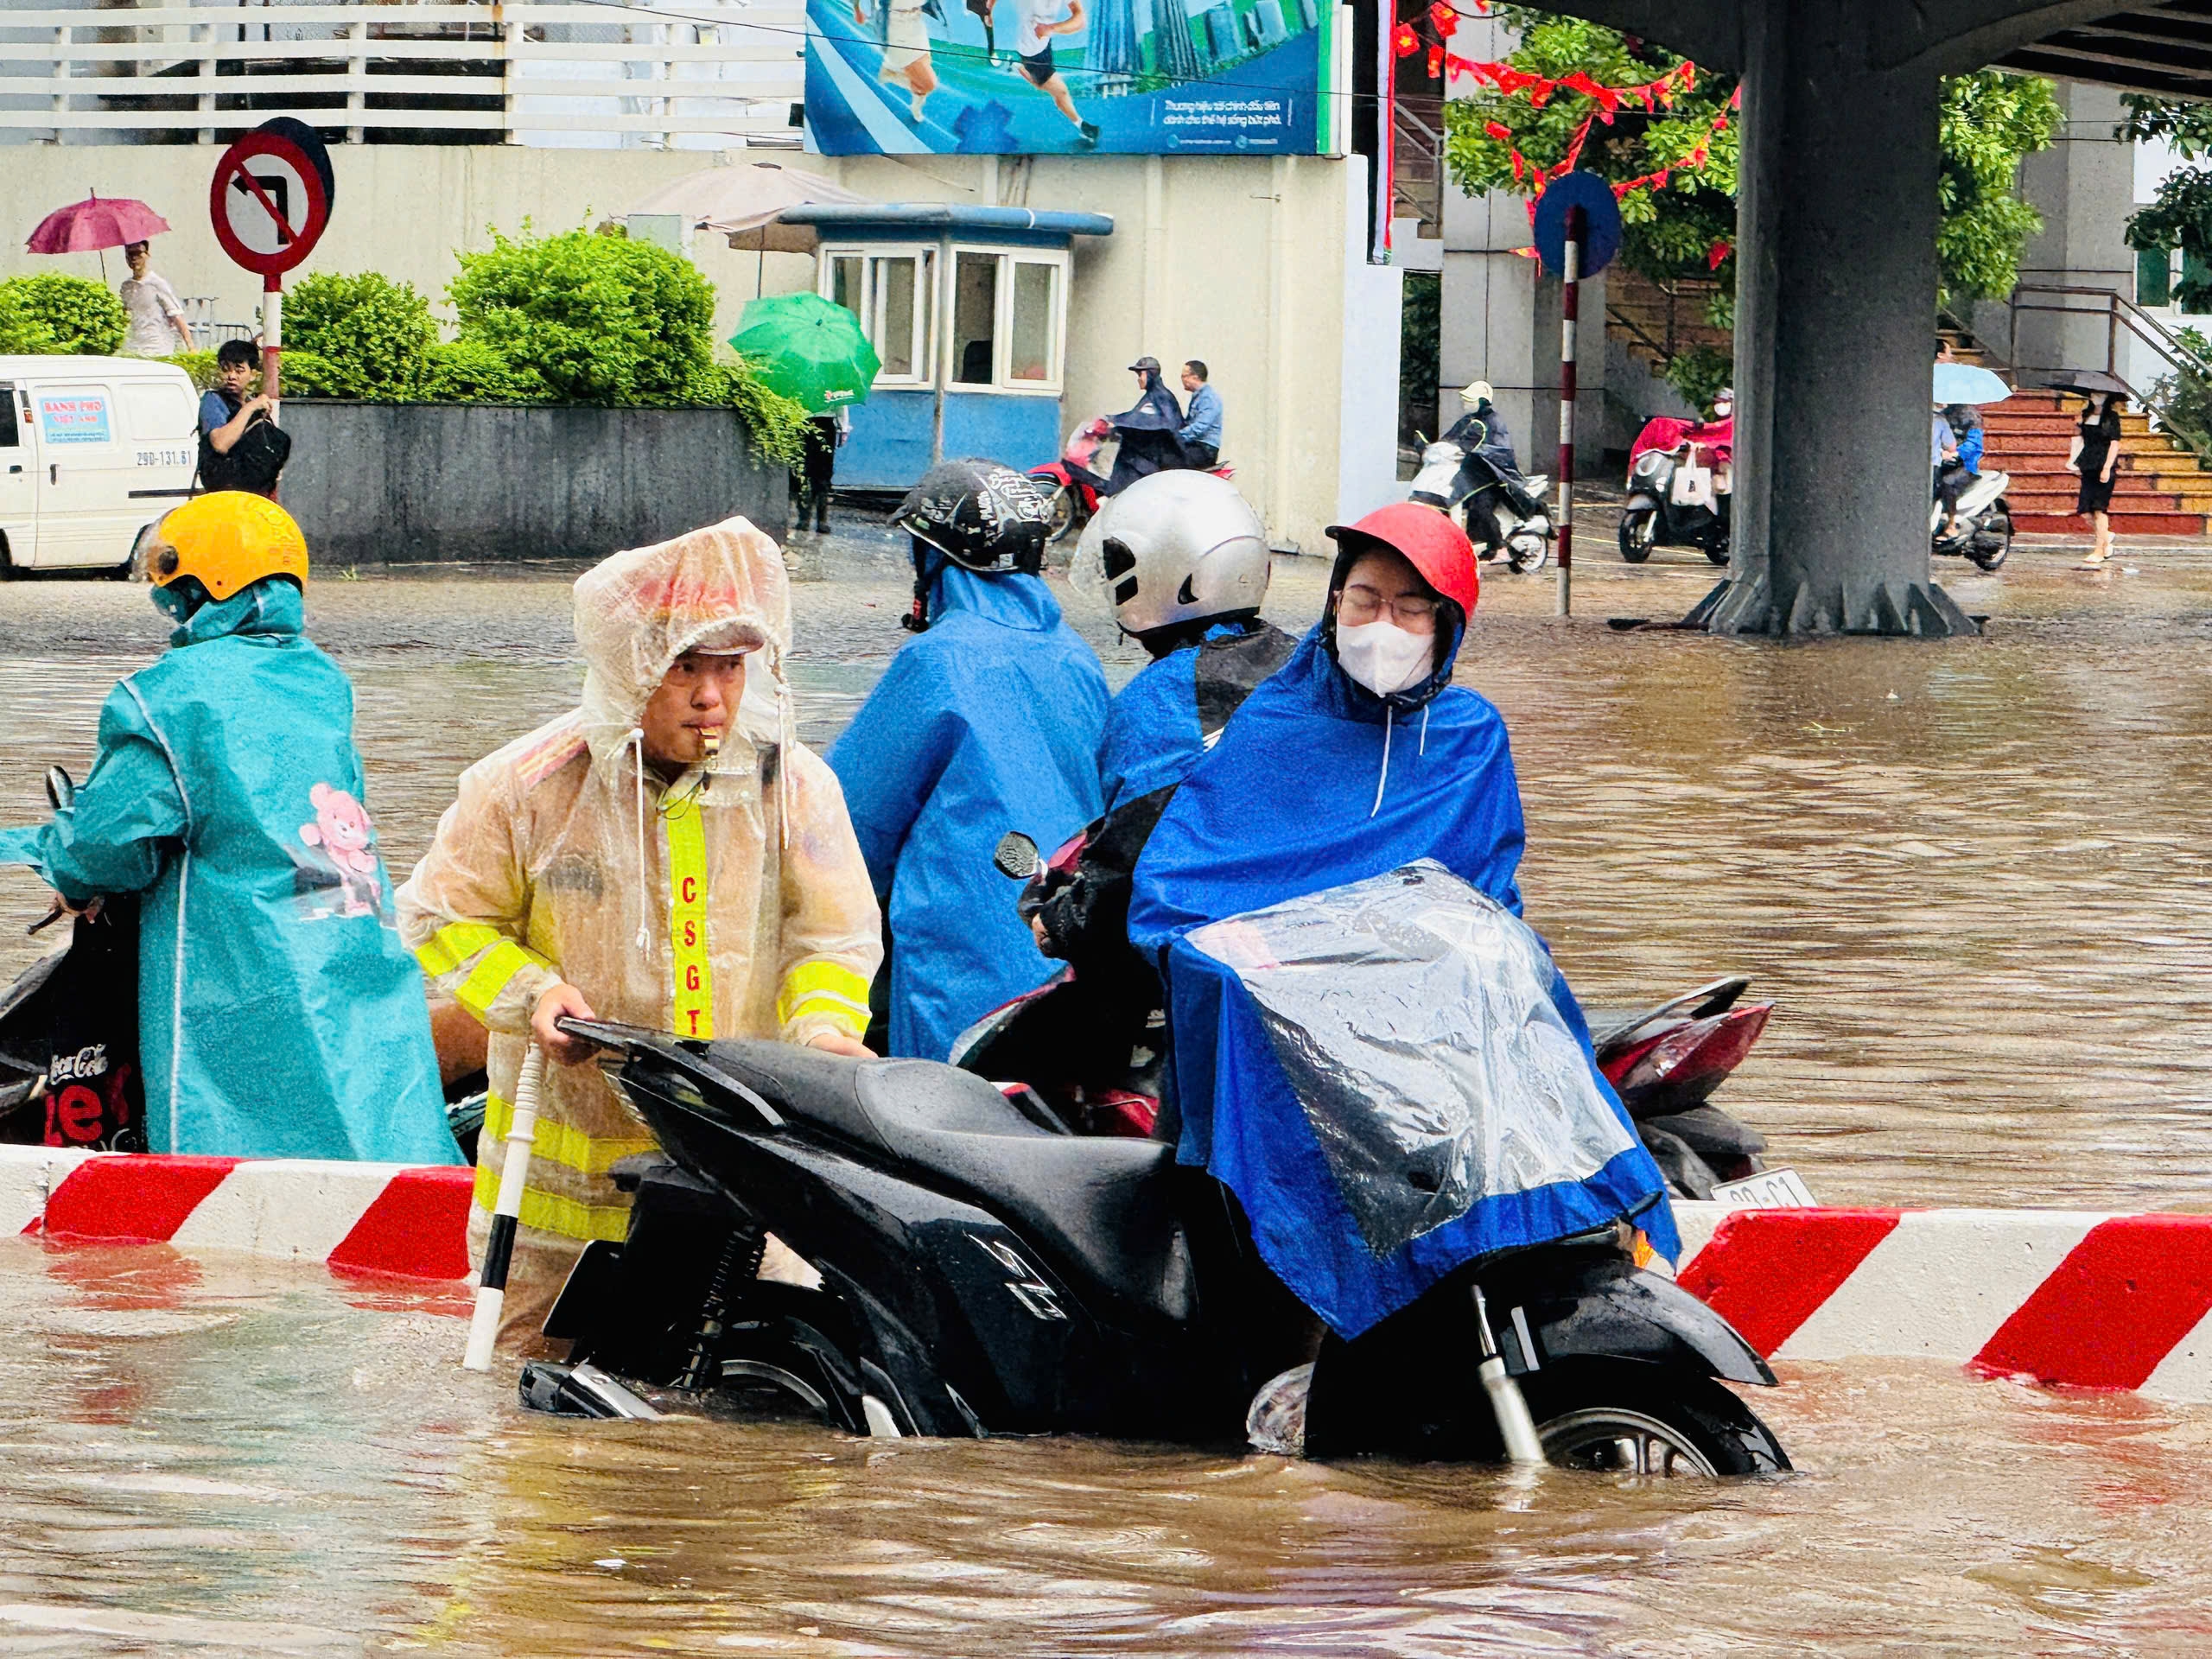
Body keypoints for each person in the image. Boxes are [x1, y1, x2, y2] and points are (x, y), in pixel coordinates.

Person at [1125, 501, 1676, 1344]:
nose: (1383, 624)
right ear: (1332, 603)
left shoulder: (1467, 738)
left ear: (1447, 625)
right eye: (1364, 599)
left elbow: (1484, 911)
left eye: (1410, 608)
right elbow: (1176, 901)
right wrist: (1247, 965)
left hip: (1426, 1063)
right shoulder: (1270, 727)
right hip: (1287, 1062)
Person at [399, 518, 881, 1351]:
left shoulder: (789, 785)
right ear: (630, 664)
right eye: (685, 667)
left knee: (752, 1382)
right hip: (562, 1171)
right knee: (526, 1405)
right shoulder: (526, 787)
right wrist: (532, 991)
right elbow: (443, 918)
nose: (711, 697)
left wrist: (825, 1032)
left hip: (739, 1159)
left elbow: (832, 936)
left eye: (730, 668)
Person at [0, 493, 457, 1164]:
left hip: (243, 966)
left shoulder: (165, 697)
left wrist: (65, 872)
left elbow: (107, 846)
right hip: (350, 933)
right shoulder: (322, 680)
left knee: (237, 1147)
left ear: (196, 587)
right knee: (378, 1118)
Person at [828, 459, 1108, 1061]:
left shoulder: (938, 661)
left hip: (963, 980)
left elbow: (846, 825)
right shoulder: (1077, 658)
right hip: (1067, 964)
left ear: (933, 559)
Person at [1033, 471, 1293, 995]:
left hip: (1194, 974)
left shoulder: (1162, 698)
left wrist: (1062, 923)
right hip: (1290, 944)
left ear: (1174, 574)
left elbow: (1129, 862)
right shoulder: (1297, 661)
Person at [197, 340, 290, 498]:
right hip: (224, 495)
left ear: (253, 375)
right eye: (226, 370)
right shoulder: (213, 400)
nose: (231, 376)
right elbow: (220, 444)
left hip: (258, 495)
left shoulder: (257, 405)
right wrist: (250, 408)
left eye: (239, 370)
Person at [1004, 0, 1100, 148]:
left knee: (1043, 84)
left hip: (1044, 41)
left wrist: (1051, 28)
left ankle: (1019, 67)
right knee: (1060, 92)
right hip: (1032, 51)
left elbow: (1080, 20)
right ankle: (1083, 126)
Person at [1103, 357, 1186, 496]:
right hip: (1156, 451)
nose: (1139, 379)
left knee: (1129, 458)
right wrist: (1111, 419)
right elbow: (1134, 416)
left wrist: (1118, 423)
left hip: (1164, 455)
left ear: (1150, 374)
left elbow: (1149, 421)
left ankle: (1117, 498)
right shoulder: (1152, 395)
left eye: (1140, 374)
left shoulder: (1161, 396)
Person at [2069, 390, 2124, 569]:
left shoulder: (2112, 418)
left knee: (2099, 509)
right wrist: (2074, 461)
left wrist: (2107, 467)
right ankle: (2106, 536)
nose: (2095, 396)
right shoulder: (2085, 415)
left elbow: (2114, 444)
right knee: (2085, 510)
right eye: (2093, 393)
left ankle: (2099, 550)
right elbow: (2078, 440)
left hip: (2104, 464)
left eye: (2100, 394)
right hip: (2087, 464)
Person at [857, 0, 937, 124]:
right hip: (897, 29)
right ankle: (891, 75)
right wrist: (857, 8)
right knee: (928, 83)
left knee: (923, 75)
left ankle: (915, 106)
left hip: (916, 23)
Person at [118, 240, 192, 358]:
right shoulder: (126, 286)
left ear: (147, 255)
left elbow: (176, 315)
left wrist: (190, 346)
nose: (134, 258)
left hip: (157, 348)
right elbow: (123, 315)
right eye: (130, 254)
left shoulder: (157, 283)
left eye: (138, 253)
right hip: (133, 348)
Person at [794, 407, 849, 536]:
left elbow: (841, 407)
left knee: (816, 474)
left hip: (816, 424)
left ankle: (810, 520)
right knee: (812, 474)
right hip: (813, 424)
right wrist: (843, 429)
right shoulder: (832, 386)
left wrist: (844, 428)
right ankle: (814, 520)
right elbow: (841, 407)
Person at [1177, 360, 1224, 470]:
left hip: (1205, 449)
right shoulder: (1199, 396)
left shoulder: (1208, 398)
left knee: (1169, 460)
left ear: (1195, 377)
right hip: (1197, 445)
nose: (1182, 380)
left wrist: (1176, 437)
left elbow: (1200, 427)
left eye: (1184, 376)